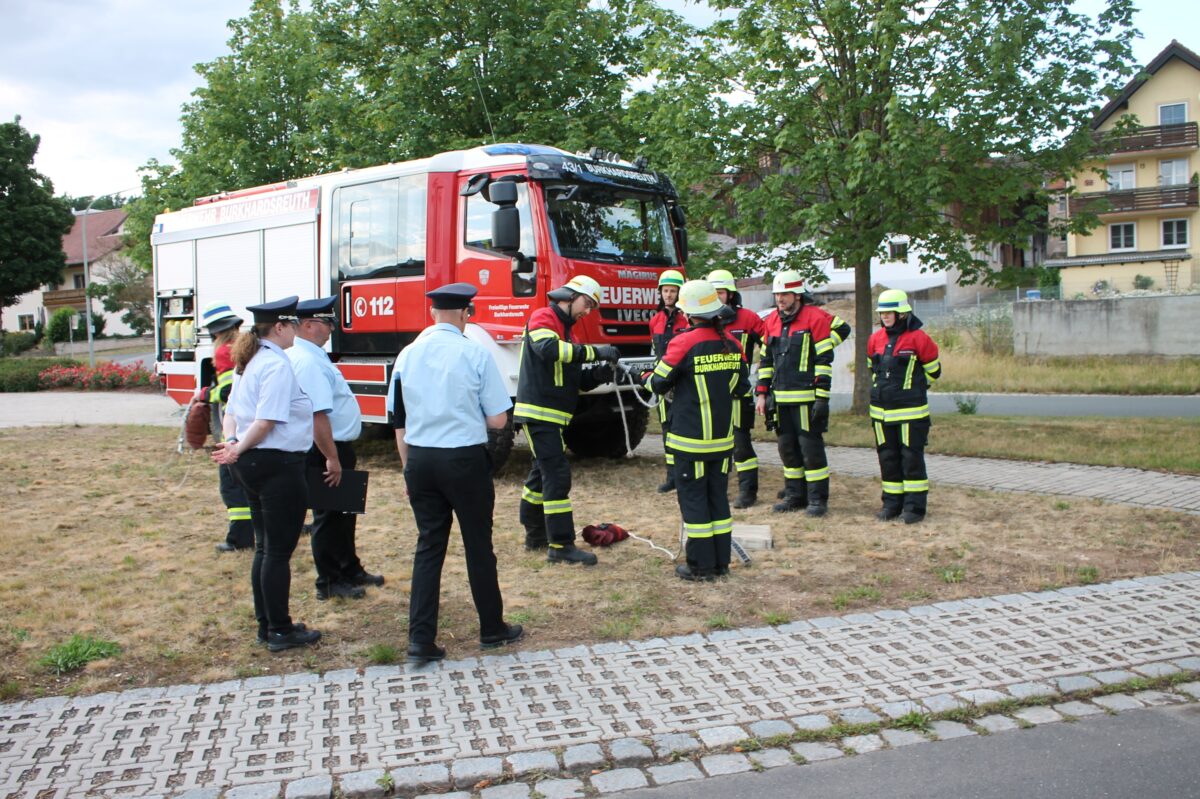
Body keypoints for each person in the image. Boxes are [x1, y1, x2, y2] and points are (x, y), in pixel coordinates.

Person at [389, 283, 523, 664]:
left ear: (433, 313)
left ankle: (420, 641)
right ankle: (492, 629)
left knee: (428, 547)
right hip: (463, 459)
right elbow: (498, 418)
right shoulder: (474, 353)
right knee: (478, 545)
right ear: (466, 314)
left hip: (420, 459)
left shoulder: (407, 356)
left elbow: (398, 421)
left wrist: (407, 471)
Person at [212, 296, 321, 653]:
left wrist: (232, 442)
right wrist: (238, 447)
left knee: (265, 548)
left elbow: (232, 413)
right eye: (292, 325)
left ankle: (267, 624)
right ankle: (280, 629)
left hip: (254, 464)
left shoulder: (250, 361)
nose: (296, 331)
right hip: (276, 465)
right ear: (279, 327)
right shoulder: (275, 365)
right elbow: (266, 420)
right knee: (277, 552)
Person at [630, 280, 749, 581]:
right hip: (722, 442)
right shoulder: (733, 345)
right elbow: (741, 387)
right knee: (717, 500)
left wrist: (640, 374)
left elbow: (658, 383)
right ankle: (721, 562)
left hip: (689, 442)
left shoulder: (683, 342)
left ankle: (700, 566)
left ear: (687, 311)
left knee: (694, 503)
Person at [514, 275, 620, 566]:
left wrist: (598, 374)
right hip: (539, 413)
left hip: (553, 417)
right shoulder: (543, 317)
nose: (588, 312)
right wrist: (595, 352)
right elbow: (548, 351)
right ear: (570, 296)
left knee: (541, 474)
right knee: (557, 476)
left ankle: (535, 534)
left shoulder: (569, 333)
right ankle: (560, 545)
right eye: (587, 304)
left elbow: (572, 378)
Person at [289, 297, 383, 601]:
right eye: (326, 323)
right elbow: (317, 415)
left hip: (336, 447)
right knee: (329, 516)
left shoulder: (313, 356)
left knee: (345, 512)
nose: (331, 328)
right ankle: (328, 581)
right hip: (326, 450)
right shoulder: (307, 361)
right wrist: (331, 457)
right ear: (307, 325)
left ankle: (349, 568)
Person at [755, 270, 851, 517]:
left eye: (785, 294)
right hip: (781, 399)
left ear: (797, 295)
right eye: (777, 294)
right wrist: (762, 395)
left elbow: (823, 360)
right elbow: (765, 362)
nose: (780, 299)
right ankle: (794, 495)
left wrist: (821, 398)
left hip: (807, 399)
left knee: (811, 451)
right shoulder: (772, 322)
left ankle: (817, 499)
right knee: (787, 450)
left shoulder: (815, 318)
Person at [866, 289, 941, 524]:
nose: (885, 316)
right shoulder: (875, 339)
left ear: (902, 313)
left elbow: (934, 371)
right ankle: (891, 504)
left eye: (889, 312)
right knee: (887, 458)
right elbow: (872, 368)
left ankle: (914, 508)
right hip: (881, 412)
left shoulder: (919, 338)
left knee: (911, 459)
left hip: (911, 412)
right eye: (882, 312)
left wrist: (912, 389)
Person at [707, 269, 768, 508]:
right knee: (716, 446)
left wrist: (762, 376)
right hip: (712, 394)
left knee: (741, 445)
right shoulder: (705, 319)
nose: (717, 297)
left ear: (731, 294)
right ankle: (719, 490)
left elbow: (770, 346)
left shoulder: (749, 319)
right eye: (712, 293)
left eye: (720, 292)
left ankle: (748, 492)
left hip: (738, 394)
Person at [199, 301, 254, 553]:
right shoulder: (247, 346)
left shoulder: (224, 351)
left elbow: (229, 391)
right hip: (253, 426)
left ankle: (239, 538)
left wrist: (205, 395)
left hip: (236, 429)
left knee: (231, 484)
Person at [648, 269, 688, 493]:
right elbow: (656, 352)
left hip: (683, 384)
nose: (669, 295)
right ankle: (671, 476)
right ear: (660, 293)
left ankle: (684, 474)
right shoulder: (655, 321)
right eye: (666, 291)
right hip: (664, 385)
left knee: (683, 429)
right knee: (667, 429)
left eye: (673, 291)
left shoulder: (687, 318)